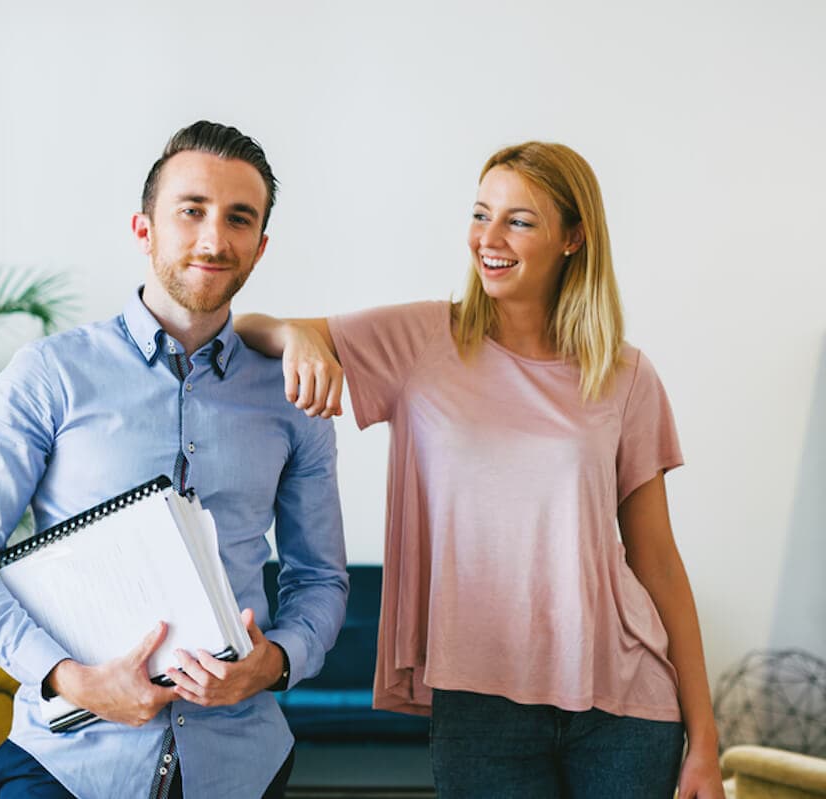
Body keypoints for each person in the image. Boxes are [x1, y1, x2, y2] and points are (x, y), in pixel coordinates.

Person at [236, 142, 725, 798]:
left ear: (573, 238)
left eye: (519, 221)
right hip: (480, 703)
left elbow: (658, 559)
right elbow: (245, 327)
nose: (488, 239)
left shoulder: (626, 375)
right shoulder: (423, 340)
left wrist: (706, 741)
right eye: (480, 213)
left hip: (626, 704)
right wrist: (301, 337)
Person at [0, 120, 348, 799]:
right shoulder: (47, 376)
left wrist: (272, 663)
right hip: (67, 767)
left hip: (243, 766)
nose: (214, 238)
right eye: (191, 210)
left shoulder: (294, 394)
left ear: (260, 246)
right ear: (143, 228)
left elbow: (320, 581)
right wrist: (70, 676)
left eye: (239, 218)